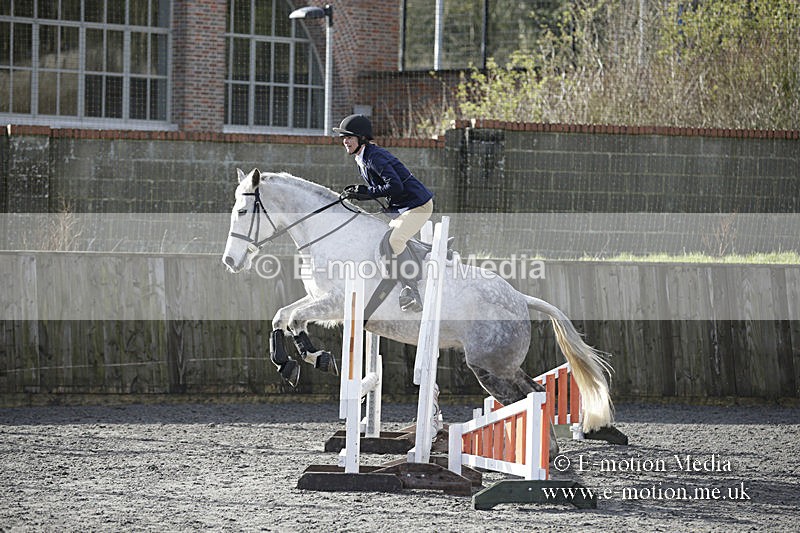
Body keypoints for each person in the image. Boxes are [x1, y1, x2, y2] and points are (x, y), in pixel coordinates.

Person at [334, 114, 434, 312]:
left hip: (418, 206)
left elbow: (394, 186)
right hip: (404, 207)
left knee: (395, 241)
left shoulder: (374, 157)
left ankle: (412, 290)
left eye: (349, 137)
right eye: (343, 138)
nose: (345, 141)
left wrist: (366, 193)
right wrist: (361, 191)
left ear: (361, 138)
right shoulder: (363, 157)